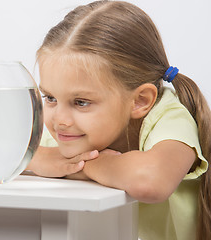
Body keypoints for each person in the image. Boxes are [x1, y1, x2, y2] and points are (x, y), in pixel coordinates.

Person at [25, 1, 211, 240]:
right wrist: (38, 158)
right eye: (50, 97)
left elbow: (151, 181)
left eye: (81, 102)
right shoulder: (70, 130)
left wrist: (79, 166)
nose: (59, 119)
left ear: (140, 101)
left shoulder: (169, 116)